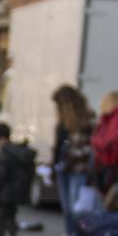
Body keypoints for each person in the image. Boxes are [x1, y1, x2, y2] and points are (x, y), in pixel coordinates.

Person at [50, 85, 94, 217]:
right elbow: (57, 146)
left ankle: (77, 229)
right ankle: (71, 229)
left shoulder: (87, 120)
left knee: (76, 207)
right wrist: (53, 166)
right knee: (67, 208)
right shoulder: (62, 122)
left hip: (79, 167)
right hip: (63, 166)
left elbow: (90, 148)